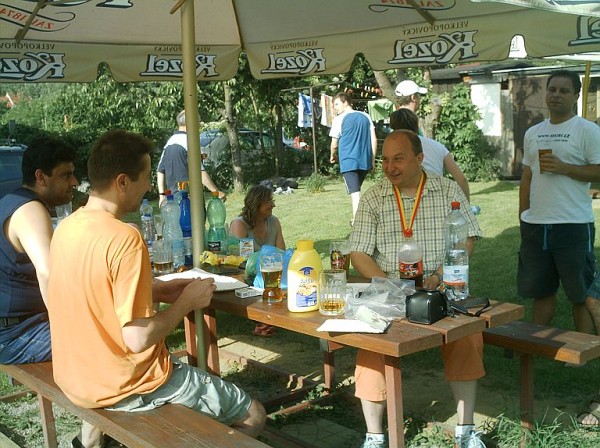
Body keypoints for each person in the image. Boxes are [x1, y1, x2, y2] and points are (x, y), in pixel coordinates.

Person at [47, 130, 266, 442]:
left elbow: (93, 292)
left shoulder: (66, 229)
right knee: (253, 414)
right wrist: (186, 302)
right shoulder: (124, 237)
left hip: (75, 379)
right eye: (146, 177)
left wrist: (158, 290)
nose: (150, 186)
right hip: (126, 384)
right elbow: (136, 338)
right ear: (122, 181)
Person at [350, 130, 485, 448]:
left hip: (441, 287)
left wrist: (440, 275)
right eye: (384, 159)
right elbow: (358, 253)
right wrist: (390, 285)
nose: (389, 167)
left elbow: (468, 238)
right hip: (390, 290)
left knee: (466, 335)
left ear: (420, 159)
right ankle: (374, 435)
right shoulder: (374, 196)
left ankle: (466, 430)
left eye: (398, 158)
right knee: (370, 342)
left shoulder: (446, 189)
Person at [518, 69, 600, 335]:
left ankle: (584, 350)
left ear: (576, 96)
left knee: (581, 293)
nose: (556, 95)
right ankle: (535, 343)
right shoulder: (533, 132)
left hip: (573, 224)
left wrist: (565, 167)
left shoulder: (587, 130)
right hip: (537, 224)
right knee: (541, 291)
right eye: (552, 90)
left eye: (564, 91)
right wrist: (523, 215)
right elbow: (528, 175)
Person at [0, 137, 78, 365]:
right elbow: (48, 273)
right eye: (65, 175)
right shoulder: (30, 210)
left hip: (18, 325)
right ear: (40, 177)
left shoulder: (12, 200)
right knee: (115, 338)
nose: (74, 181)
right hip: (16, 335)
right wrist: (68, 326)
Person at [230, 184, 286, 337]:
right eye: (269, 201)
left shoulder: (274, 222)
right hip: (245, 273)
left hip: (270, 272)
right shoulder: (239, 225)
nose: (273, 205)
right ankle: (263, 320)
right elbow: (239, 261)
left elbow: (282, 253)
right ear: (257, 203)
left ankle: (269, 319)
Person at [390, 108, 470, 201]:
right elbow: (462, 179)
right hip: (438, 200)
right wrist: (466, 207)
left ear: (394, 128)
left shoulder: (394, 148)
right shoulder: (437, 146)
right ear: (416, 124)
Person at [157, 110, 226, 206]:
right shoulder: (190, 143)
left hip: (172, 201)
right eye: (197, 124)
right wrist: (216, 192)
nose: (199, 127)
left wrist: (162, 196)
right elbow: (199, 172)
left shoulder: (169, 142)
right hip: (190, 201)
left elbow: (160, 171)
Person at [329, 93, 377, 221]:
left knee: (355, 193)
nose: (335, 108)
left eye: (337, 104)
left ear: (346, 102)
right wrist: (372, 160)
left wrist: (332, 156)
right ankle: (360, 218)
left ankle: (357, 221)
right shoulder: (366, 116)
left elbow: (334, 144)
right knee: (356, 190)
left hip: (349, 162)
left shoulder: (339, 119)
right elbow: (374, 139)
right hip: (365, 161)